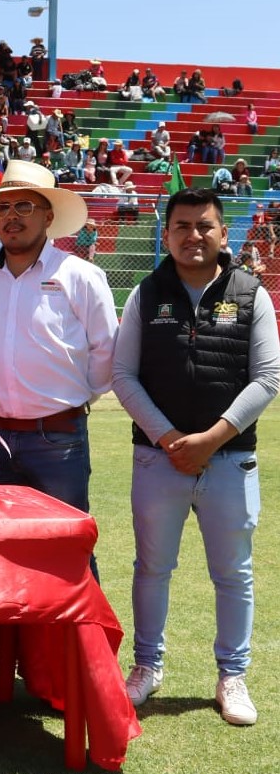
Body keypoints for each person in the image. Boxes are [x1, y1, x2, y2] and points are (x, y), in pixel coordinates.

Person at [112, 188, 280, 726]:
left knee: (234, 574)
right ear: (166, 234)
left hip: (230, 462)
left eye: (204, 225)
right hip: (156, 461)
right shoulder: (146, 292)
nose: (193, 236)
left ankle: (232, 676)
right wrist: (167, 438)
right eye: (182, 226)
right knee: (152, 569)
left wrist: (211, 438)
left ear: (223, 233)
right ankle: (147, 667)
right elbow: (123, 377)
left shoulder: (252, 293)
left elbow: (268, 378)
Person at [0, 160, 118, 681]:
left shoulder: (81, 276)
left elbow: (105, 357)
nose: (11, 217)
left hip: (59, 438)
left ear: (49, 216)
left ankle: (84, 658)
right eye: (3, 207)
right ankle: (3, 650)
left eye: (25, 206)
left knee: (70, 548)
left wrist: (68, 401)